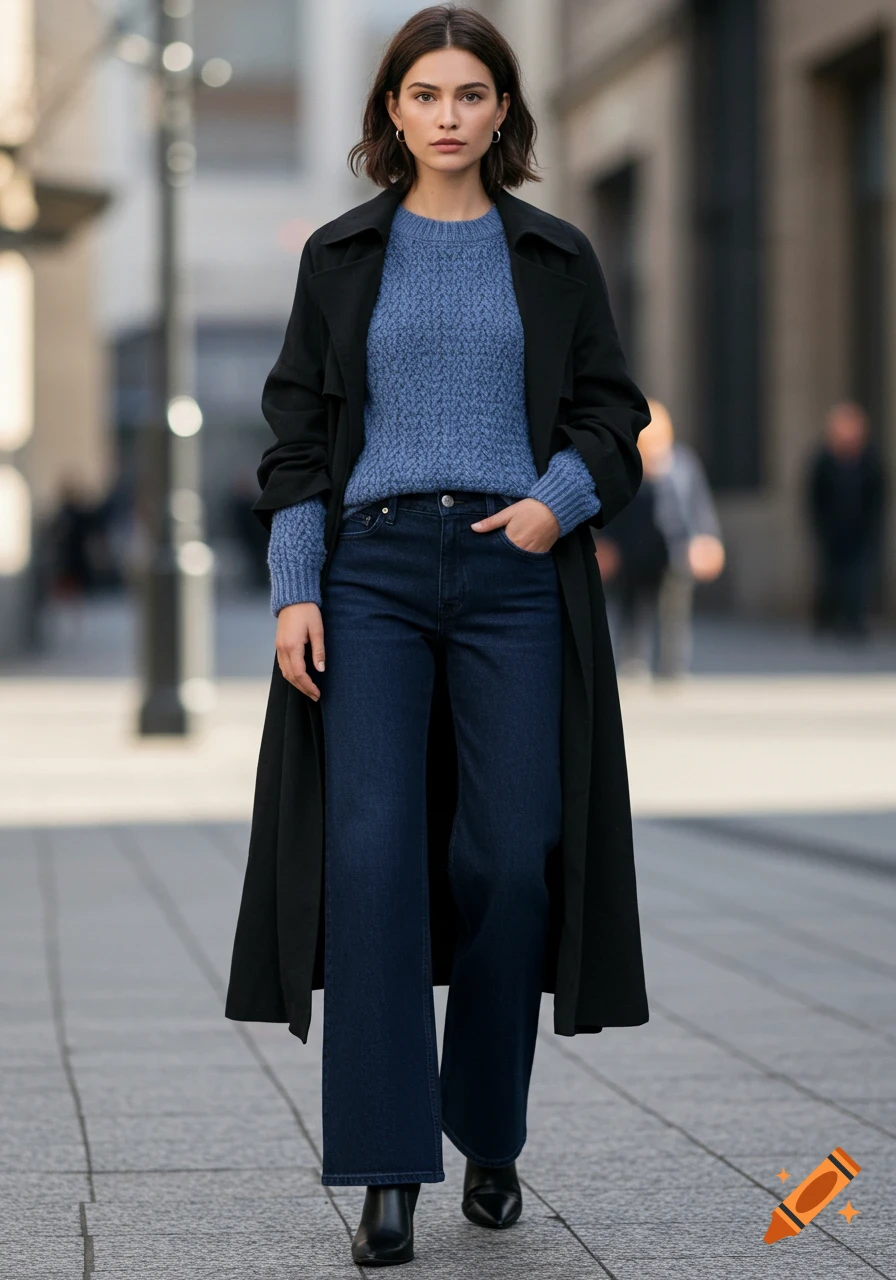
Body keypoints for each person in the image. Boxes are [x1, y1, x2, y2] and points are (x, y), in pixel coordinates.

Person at [225, 4, 651, 1266]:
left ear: (503, 109)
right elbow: (296, 441)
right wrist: (295, 585)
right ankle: (386, 1169)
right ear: (392, 112)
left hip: (514, 570)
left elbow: (611, 417)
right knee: (368, 860)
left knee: (511, 860)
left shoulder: (555, 255)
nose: (448, 115)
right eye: (425, 94)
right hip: (373, 573)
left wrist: (553, 504)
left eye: (471, 93)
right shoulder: (341, 255)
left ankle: (489, 1130)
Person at [596, 398, 724, 679]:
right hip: (632, 552)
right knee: (632, 606)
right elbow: (610, 510)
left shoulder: (682, 465)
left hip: (675, 550)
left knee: (673, 609)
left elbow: (699, 507)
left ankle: (671, 664)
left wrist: (706, 539)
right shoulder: (626, 467)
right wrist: (605, 543)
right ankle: (632, 658)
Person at [806, 400, 886, 640]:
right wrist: (820, 526)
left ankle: (855, 622)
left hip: (860, 531)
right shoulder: (824, 460)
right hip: (832, 531)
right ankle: (826, 622)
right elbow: (815, 496)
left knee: (858, 578)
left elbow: (877, 495)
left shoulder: (869, 460)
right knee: (830, 577)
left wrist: (872, 525)